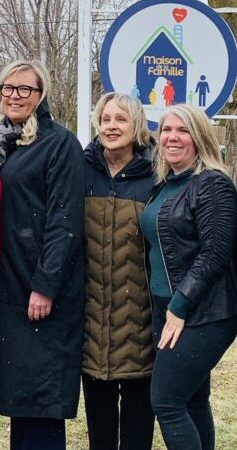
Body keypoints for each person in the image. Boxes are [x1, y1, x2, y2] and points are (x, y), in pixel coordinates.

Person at [0, 60, 86, 450]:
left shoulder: (58, 143)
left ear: (41, 96)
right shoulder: (2, 145)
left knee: (43, 398)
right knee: (21, 397)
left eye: (25, 89)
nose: (14, 95)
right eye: (8, 88)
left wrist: (45, 285)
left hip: (43, 289)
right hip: (9, 285)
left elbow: (65, 220)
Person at [140, 104, 237, 450]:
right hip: (166, 307)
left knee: (166, 402)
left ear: (198, 137)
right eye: (166, 130)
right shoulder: (164, 184)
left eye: (182, 130)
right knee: (193, 400)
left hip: (203, 311)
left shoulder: (212, 184)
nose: (172, 137)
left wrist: (180, 306)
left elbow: (214, 255)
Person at [81, 93, 157, 450]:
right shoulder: (82, 171)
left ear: (136, 125)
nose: (112, 126)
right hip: (92, 318)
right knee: (99, 421)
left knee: (139, 421)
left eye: (121, 119)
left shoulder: (156, 175)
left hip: (140, 317)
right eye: (106, 119)